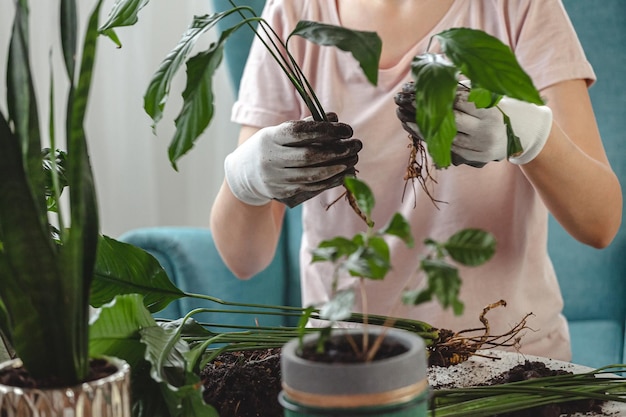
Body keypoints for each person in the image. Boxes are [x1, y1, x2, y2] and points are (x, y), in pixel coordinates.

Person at [210, 0, 622, 361]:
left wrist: (529, 135)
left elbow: (599, 222)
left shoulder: (517, 7)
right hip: (350, 366)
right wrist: (246, 177)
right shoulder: (293, 15)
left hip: (512, 365)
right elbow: (244, 259)